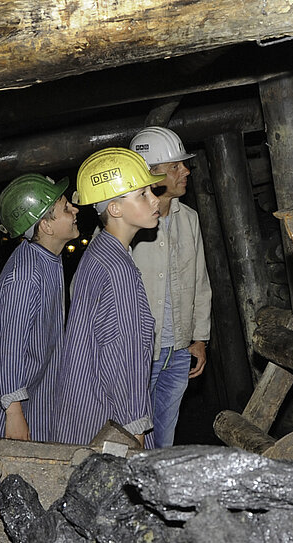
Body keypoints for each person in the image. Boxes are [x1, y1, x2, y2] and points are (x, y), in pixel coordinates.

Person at [0, 174, 77, 513]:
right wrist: (13, 412)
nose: (74, 209)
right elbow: (10, 346)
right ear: (44, 225)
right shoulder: (26, 274)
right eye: (64, 207)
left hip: (30, 405)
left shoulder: (47, 259)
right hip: (2, 422)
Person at [52, 148, 164, 447]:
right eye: (142, 194)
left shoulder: (98, 254)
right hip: (111, 423)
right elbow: (123, 354)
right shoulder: (118, 270)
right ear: (115, 209)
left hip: (85, 412)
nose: (155, 199)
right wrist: (135, 427)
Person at [129, 126, 212, 448]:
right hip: (139, 355)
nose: (185, 171)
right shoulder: (126, 225)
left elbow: (199, 281)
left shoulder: (188, 219)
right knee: (130, 437)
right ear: (151, 174)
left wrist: (200, 338)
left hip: (178, 351)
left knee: (163, 439)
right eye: (175, 166)